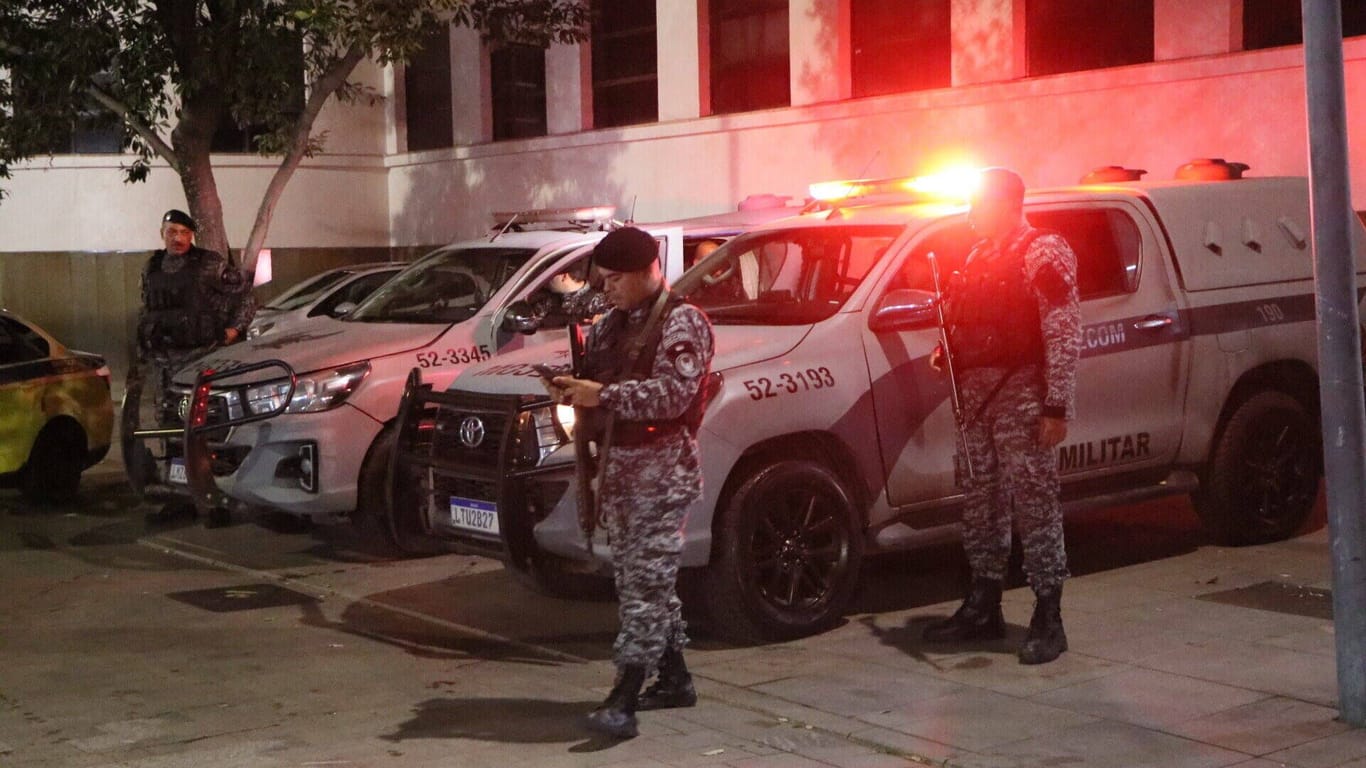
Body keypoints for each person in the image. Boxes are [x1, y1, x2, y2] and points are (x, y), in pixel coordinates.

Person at [545, 227, 715, 738]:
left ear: (648, 271)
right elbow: (603, 382)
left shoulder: (683, 322)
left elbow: (674, 395)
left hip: (662, 471)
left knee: (643, 589)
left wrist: (604, 397)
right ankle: (675, 679)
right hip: (619, 470)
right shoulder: (611, 325)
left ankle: (624, 698)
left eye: (615, 279)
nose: (607, 289)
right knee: (642, 582)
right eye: (603, 280)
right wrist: (572, 389)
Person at [921, 168, 1082, 665]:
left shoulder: (1042, 251)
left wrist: (1057, 405)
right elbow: (967, 319)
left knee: (1034, 504)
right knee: (980, 503)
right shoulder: (976, 257)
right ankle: (983, 604)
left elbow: (1062, 328)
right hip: (975, 401)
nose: (971, 213)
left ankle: (1048, 614)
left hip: (1021, 396)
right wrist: (945, 350)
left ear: (1007, 203)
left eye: (979, 204)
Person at [132, 209, 255, 525]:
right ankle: (180, 497)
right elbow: (149, 311)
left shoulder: (208, 264)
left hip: (201, 361)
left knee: (208, 431)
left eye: (183, 232)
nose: (177, 238)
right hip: (164, 364)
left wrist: (233, 331)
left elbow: (245, 295)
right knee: (172, 432)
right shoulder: (152, 267)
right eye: (171, 231)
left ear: (192, 236)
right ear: (162, 234)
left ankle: (217, 500)